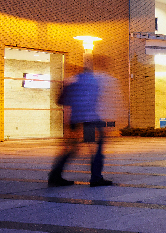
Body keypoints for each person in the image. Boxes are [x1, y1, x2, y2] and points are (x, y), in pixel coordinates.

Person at [48, 55, 116, 187]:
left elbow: (60, 101)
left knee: (71, 148)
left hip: (74, 121)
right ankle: (96, 177)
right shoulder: (94, 81)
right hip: (89, 120)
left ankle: (55, 176)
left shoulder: (73, 81)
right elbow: (99, 102)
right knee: (94, 148)